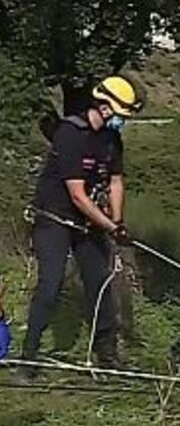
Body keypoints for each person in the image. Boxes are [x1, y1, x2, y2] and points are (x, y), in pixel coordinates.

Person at [16, 76, 143, 382]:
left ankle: (107, 355)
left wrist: (118, 221)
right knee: (51, 284)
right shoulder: (71, 134)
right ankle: (28, 358)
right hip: (55, 218)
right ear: (104, 107)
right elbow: (77, 195)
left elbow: (115, 181)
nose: (123, 122)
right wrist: (109, 226)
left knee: (100, 283)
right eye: (121, 115)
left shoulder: (111, 140)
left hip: (88, 223)